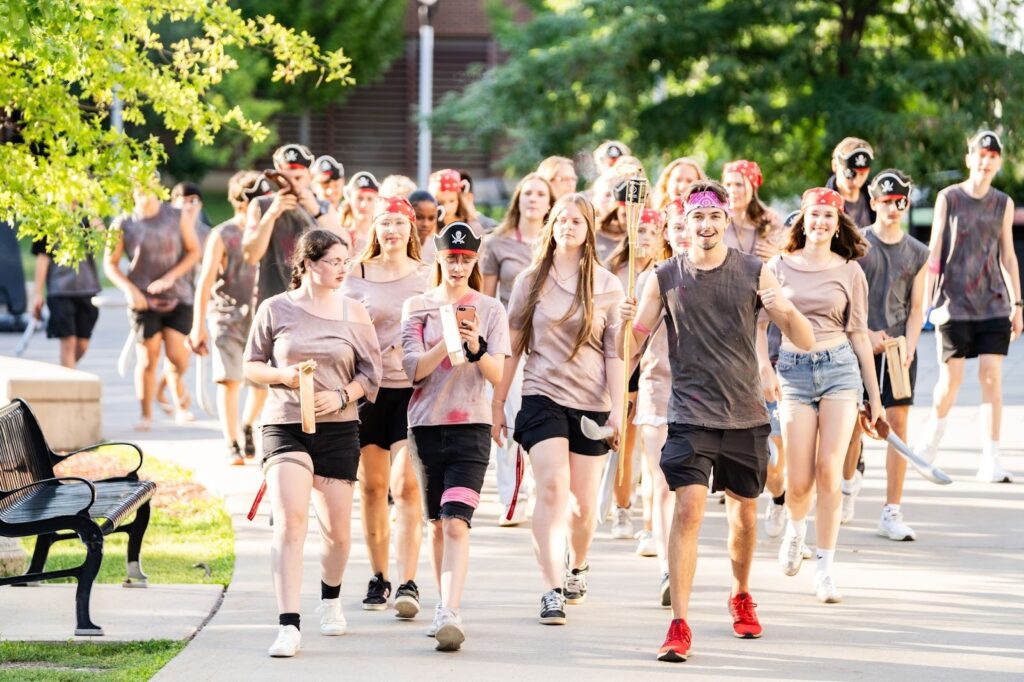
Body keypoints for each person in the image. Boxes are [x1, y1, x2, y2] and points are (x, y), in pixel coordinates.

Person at [618, 181, 813, 662]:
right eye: (695, 218)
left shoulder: (754, 271)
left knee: (744, 515)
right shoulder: (663, 276)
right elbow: (633, 344)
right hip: (688, 412)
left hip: (745, 412)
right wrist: (624, 326)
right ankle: (679, 622)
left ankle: (740, 593)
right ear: (682, 222)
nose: (704, 226)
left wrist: (783, 307)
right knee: (687, 510)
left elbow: (804, 339)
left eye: (713, 217)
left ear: (726, 219)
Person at [244, 229, 382, 658]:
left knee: (337, 534)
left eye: (346, 261)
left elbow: (371, 374)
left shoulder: (354, 313)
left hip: (339, 429)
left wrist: (341, 395)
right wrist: (283, 377)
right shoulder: (275, 308)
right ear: (307, 263)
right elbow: (251, 365)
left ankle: (331, 599)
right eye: (334, 261)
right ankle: (288, 625)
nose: (343, 269)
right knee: (290, 523)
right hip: (285, 424)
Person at [493, 193, 625, 626]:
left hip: (591, 402)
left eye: (576, 221)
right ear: (551, 226)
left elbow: (615, 355)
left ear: (589, 231)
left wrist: (618, 412)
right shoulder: (530, 280)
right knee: (551, 488)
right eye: (561, 219)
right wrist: (497, 403)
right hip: (541, 394)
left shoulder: (607, 285)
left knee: (583, 507)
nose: (567, 226)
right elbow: (512, 348)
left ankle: (578, 565)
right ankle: (550, 589)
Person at [760, 187, 882, 605]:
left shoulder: (850, 271)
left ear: (838, 223)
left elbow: (859, 335)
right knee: (799, 481)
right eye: (814, 215)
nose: (820, 223)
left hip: (839, 370)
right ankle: (796, 529)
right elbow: (759, 328)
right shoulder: (777, 266)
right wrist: (764, 369)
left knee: (830, 469)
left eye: (828, 217)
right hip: (793, 372)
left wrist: (875, 397)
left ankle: (826, 570)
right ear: (803, 220)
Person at [401, 221, 510, 651]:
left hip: (472, 425)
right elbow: (412, 371)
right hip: (426, 425)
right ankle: (440, 605)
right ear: (439, 258)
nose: (458, 266)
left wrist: (477, 345)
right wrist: (446, 341)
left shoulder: (491, 309)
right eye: (451, 258)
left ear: (476, 260)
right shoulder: (417, 307)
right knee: (435, 524)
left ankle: (450, 609)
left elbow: (496, 374)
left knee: (456, 522)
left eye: (466, 259)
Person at [913, 130, 1023, 482]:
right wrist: (928, 301)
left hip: (993, 303)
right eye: (981, 154)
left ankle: (992, 459)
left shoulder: (1003, 203)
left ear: (998, 161)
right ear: (969, 158)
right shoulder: (950, 197)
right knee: (951, 381)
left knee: (991, 376)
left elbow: (1007, 254)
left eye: (993, 156)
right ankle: (930, 441)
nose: (986, 161)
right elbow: (934, 252)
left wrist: (1017, 304)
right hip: (954, 303)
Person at [340, 196, 429, 615]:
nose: (392, 230)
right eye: (384, 223)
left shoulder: (427, 277)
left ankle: (408, 581)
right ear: (373, 228)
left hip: (412, 390)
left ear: (412, 228)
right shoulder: (354, 275)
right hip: (367, 392)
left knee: (406, 486)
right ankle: (379, 576)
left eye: (399, 222)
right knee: (373, 488)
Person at [837, 170, 929, 538]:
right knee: (852, 425)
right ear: (873, 202)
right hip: (858, 344)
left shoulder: (918, 252)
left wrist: (909, 344)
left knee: (898, 426)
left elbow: (917, 307)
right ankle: (845, 486)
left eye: (900, 201)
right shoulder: (856, 246)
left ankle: (892, 510)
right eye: (887, 201)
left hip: (897, 350)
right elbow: (845, 300)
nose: (893, 208)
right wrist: (864, 334)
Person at [480, 173, 555, 526]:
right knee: (508, 416)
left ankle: (542, 493)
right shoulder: (497, 244)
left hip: (551, 342)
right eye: (527, 193)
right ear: (518, 199)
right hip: (510, 342)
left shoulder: (557, 241)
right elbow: (486, 299)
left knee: (541, 418)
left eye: (541, 193)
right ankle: (511, 498)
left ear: (550, 201)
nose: (533, 199)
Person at [104, 178, 201, 430]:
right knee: (148, 358)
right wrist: (129, 290)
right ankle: (146, 414)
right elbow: (110, 264)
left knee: (178, 358)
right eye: (140, 186)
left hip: (178, 295)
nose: (146, 192)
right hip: (143, 299)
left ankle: (179, 398)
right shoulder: (123, 223)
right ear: (133, 190)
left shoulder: (177, 216)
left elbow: (194, 251)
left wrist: (170, 277)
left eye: (151, 185)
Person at [603, 208, 671, 542]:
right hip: (624, 359)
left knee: (647, 449)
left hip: (650, 363)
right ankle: (622, 507)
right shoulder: (616, 271)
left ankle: (648, 520)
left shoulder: (664, 272)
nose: (643, 238)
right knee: (624, 443)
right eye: (638, 231)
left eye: (650, 231)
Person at [630, 200, 684, 604]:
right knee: (663, 479)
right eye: (677, 225)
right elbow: (629, 347)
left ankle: (682, 558)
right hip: (658, 385)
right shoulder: (652, 278)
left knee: (690, 489)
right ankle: (669, 568)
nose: (684, 232)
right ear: (667, 231)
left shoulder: (724, 275)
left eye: (691, 223)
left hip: (706, 392)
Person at [188, 171, 261, 465]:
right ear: (240, 202)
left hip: (260, 318)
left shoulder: (268, 232)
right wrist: (198, 327)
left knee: (261, 387)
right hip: (226, 317)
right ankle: (231, 442)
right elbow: (205, 281)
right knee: (229, 381)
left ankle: (246, 425)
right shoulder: (224, 234)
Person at [30, 218, 103, 369]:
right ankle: (70, 388)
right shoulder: (49, 218)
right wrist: (38, 293)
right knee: (68, 342)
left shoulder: (87, 216)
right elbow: (42, 258)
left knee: (82, 345)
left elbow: (104, 239)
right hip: (59, 290)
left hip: (87, 289)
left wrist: (91, 210)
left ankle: (63, 374)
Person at [722, 160, 782, 260]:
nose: (732, 190)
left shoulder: (770, 223)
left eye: (739, 184)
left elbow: (791, 260)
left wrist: (779, 257)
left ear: (753, 188)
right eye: (728, 185)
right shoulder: (717, 222)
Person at [826, 138, 876, 228]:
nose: (856, 180)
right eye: (850, 173)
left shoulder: (877, 200)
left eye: (862, 173)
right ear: (835, 165)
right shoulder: (822, 204)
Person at [339, 171, 381, 255]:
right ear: (350, 200)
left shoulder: (382, 236)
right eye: (359, 198)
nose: (364, 204)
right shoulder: (340, 235)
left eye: (369, 199)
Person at [410, 190, 442, 262]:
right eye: (418, 217)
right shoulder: (397, 248)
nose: (425, 224)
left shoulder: (438, 250)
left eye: (431, 218)